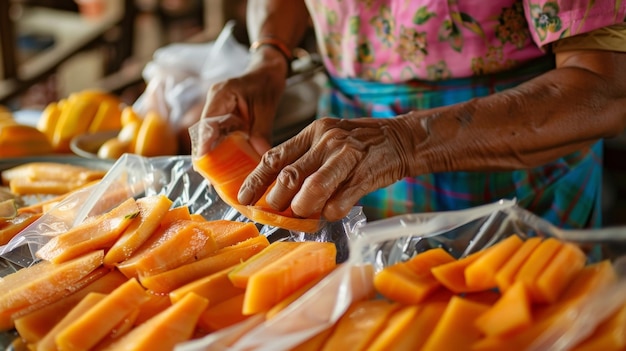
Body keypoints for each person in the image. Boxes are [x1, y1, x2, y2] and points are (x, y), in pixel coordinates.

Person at [199, 0, 626, 229]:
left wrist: (404, 141)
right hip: (346, 157)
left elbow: (605, 88)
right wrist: (270, 56)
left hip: (511, 161)